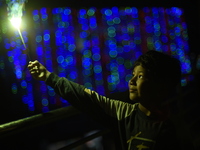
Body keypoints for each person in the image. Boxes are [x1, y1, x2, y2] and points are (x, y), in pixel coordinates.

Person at [28, 50, 181, 150]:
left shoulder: (174, 131)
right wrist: (48, 77)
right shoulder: (123, 112)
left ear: (160, 84)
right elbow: (86, 96)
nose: (131, 80)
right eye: (133, 74)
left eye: (140, 76)